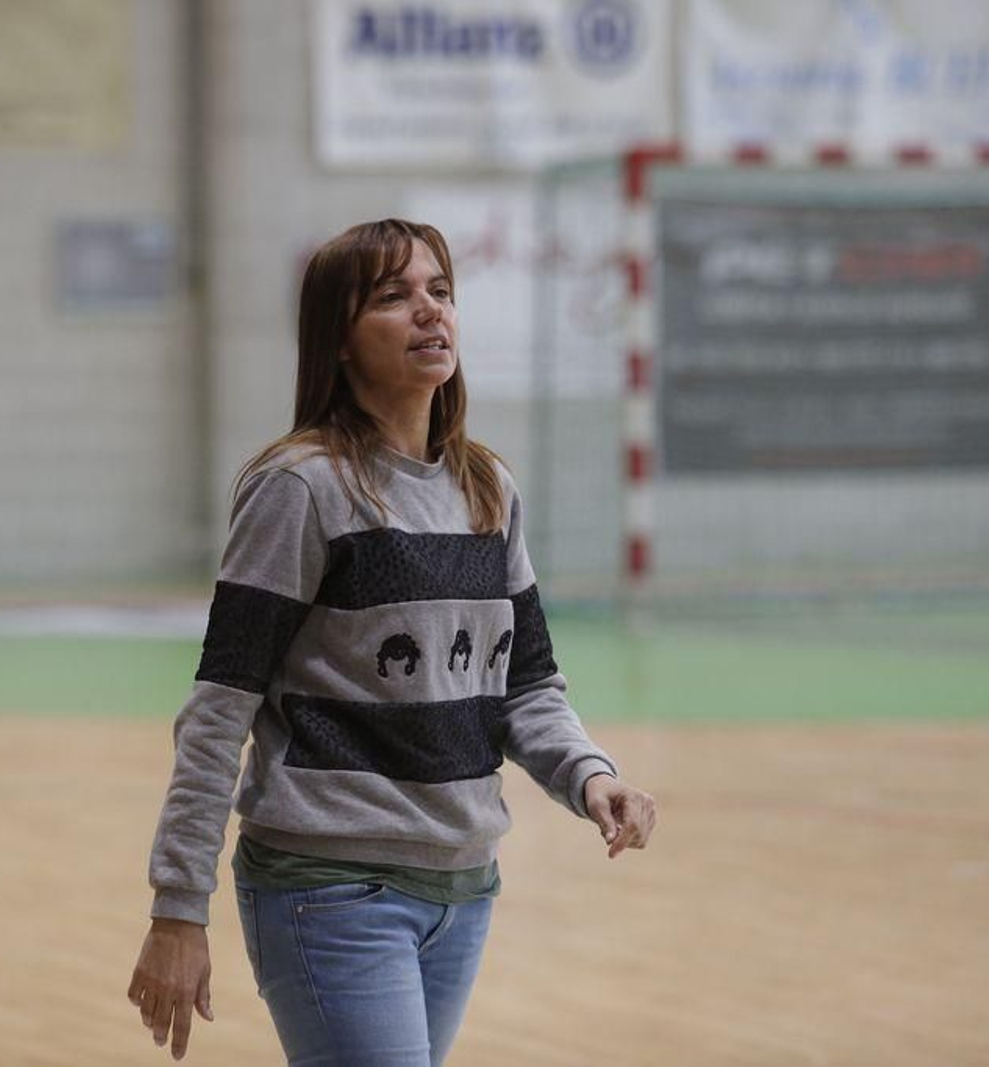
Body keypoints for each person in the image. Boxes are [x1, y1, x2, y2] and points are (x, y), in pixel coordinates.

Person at [127, 218, 657, 1065]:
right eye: (392, 296)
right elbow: (218, 711)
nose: (428, 312)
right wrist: (177, 907)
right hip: (330, 890)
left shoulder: (488, 488)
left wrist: (589, 773)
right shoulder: (302, 489)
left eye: (440, 291)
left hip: (463, 886)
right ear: (338, 341)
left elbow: (526, 682)